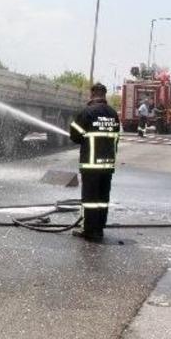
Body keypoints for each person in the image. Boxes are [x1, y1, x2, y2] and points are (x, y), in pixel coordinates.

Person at [70, 83, 121, 241]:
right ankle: (99, 228)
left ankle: (89, 230)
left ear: (92, 94)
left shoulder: (87, 112)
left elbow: (75, 135)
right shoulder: (113, 114)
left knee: (90, 199)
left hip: (91, 164)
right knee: (102, 198)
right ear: (104, 95)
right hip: (108, 164)